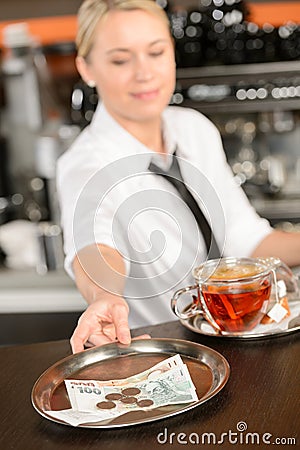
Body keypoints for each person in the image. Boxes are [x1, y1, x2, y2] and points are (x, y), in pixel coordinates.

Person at [57, 0, 300, 354]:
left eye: (156, 52)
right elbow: (94, 249)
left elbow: (245, 240)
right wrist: (103, 296)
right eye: (121, 60)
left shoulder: (194, 129)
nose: (144, 73)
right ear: (87, 68)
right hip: (169, 355)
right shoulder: (84, 164)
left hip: (241, 339)